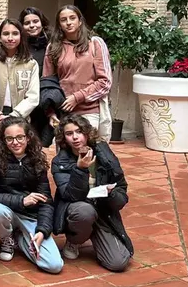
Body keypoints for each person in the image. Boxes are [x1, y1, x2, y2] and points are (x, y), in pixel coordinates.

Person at [51, 114, 133, 271]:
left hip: (102, 211)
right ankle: (75, 240)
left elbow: (122, 192)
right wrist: (80, 169)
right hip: (78, 209)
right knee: (85, 211)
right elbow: (70, 196)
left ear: (87, 133)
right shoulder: (60, 162)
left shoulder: (104, 155)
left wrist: (112, 194)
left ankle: (97, 233)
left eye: (79, 131)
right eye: (69, 134)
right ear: (64, 138)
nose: (75, 137)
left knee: (118, 262)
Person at [0, 118, 61, 272]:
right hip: (7, 211)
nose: (15, 142)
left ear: (28, 137)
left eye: (20, 137)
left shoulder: (37, 159)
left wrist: (42, 231)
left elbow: (46, 200)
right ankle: (6, 236)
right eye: (9, 138)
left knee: (54, 265)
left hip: (31, 216)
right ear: (3, 140)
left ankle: (20, 237)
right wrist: (22, 200)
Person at [43, 5, 112, 138]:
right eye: (63, 20)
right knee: (64, 156)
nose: (68, 22)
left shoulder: (95, 43)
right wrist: (51, 113)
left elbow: (105, 82)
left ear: (80, 21)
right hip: (63, 112)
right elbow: (47, 84)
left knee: (86, 152)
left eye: (72, 18)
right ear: (59, 24)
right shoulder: (53, 47)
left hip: (89, 111)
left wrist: (77, 98)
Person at [0, 18, 40, 123]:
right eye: (6, 34)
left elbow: (33, 96)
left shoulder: (31, 64)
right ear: (0, 37)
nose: (10, 38)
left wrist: (14, 115)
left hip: (21, 118)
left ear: (21, 37)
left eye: (15, 33)